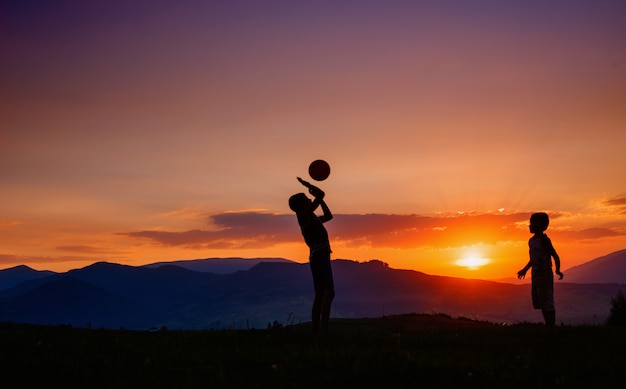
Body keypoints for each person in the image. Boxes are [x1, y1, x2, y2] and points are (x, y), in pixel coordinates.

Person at [289, 177, 334, 335]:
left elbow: (329, 216)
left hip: (319, 255)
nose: (310, 200)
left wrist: (319, 200)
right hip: (319, 255)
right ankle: (323, 331)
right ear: (302, 204)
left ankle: (318, 331)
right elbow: (321, 193)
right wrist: (310, 187)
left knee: (321, 293)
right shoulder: (303, 215)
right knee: (328, 292)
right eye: (307, 199)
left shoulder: (310, 217)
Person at [517, 212, 564, 328]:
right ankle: (548, 325)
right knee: (540, 300)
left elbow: (555, 255)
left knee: (547, 300)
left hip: (544, 274)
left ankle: (550, 326)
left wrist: (557, 270)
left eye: (532, 223)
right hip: (536, 273)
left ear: (542, 226)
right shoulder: (531, 241)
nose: (530, 225)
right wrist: (525, 269)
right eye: (530, 223)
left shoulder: (544, 240)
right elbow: (533, 259)